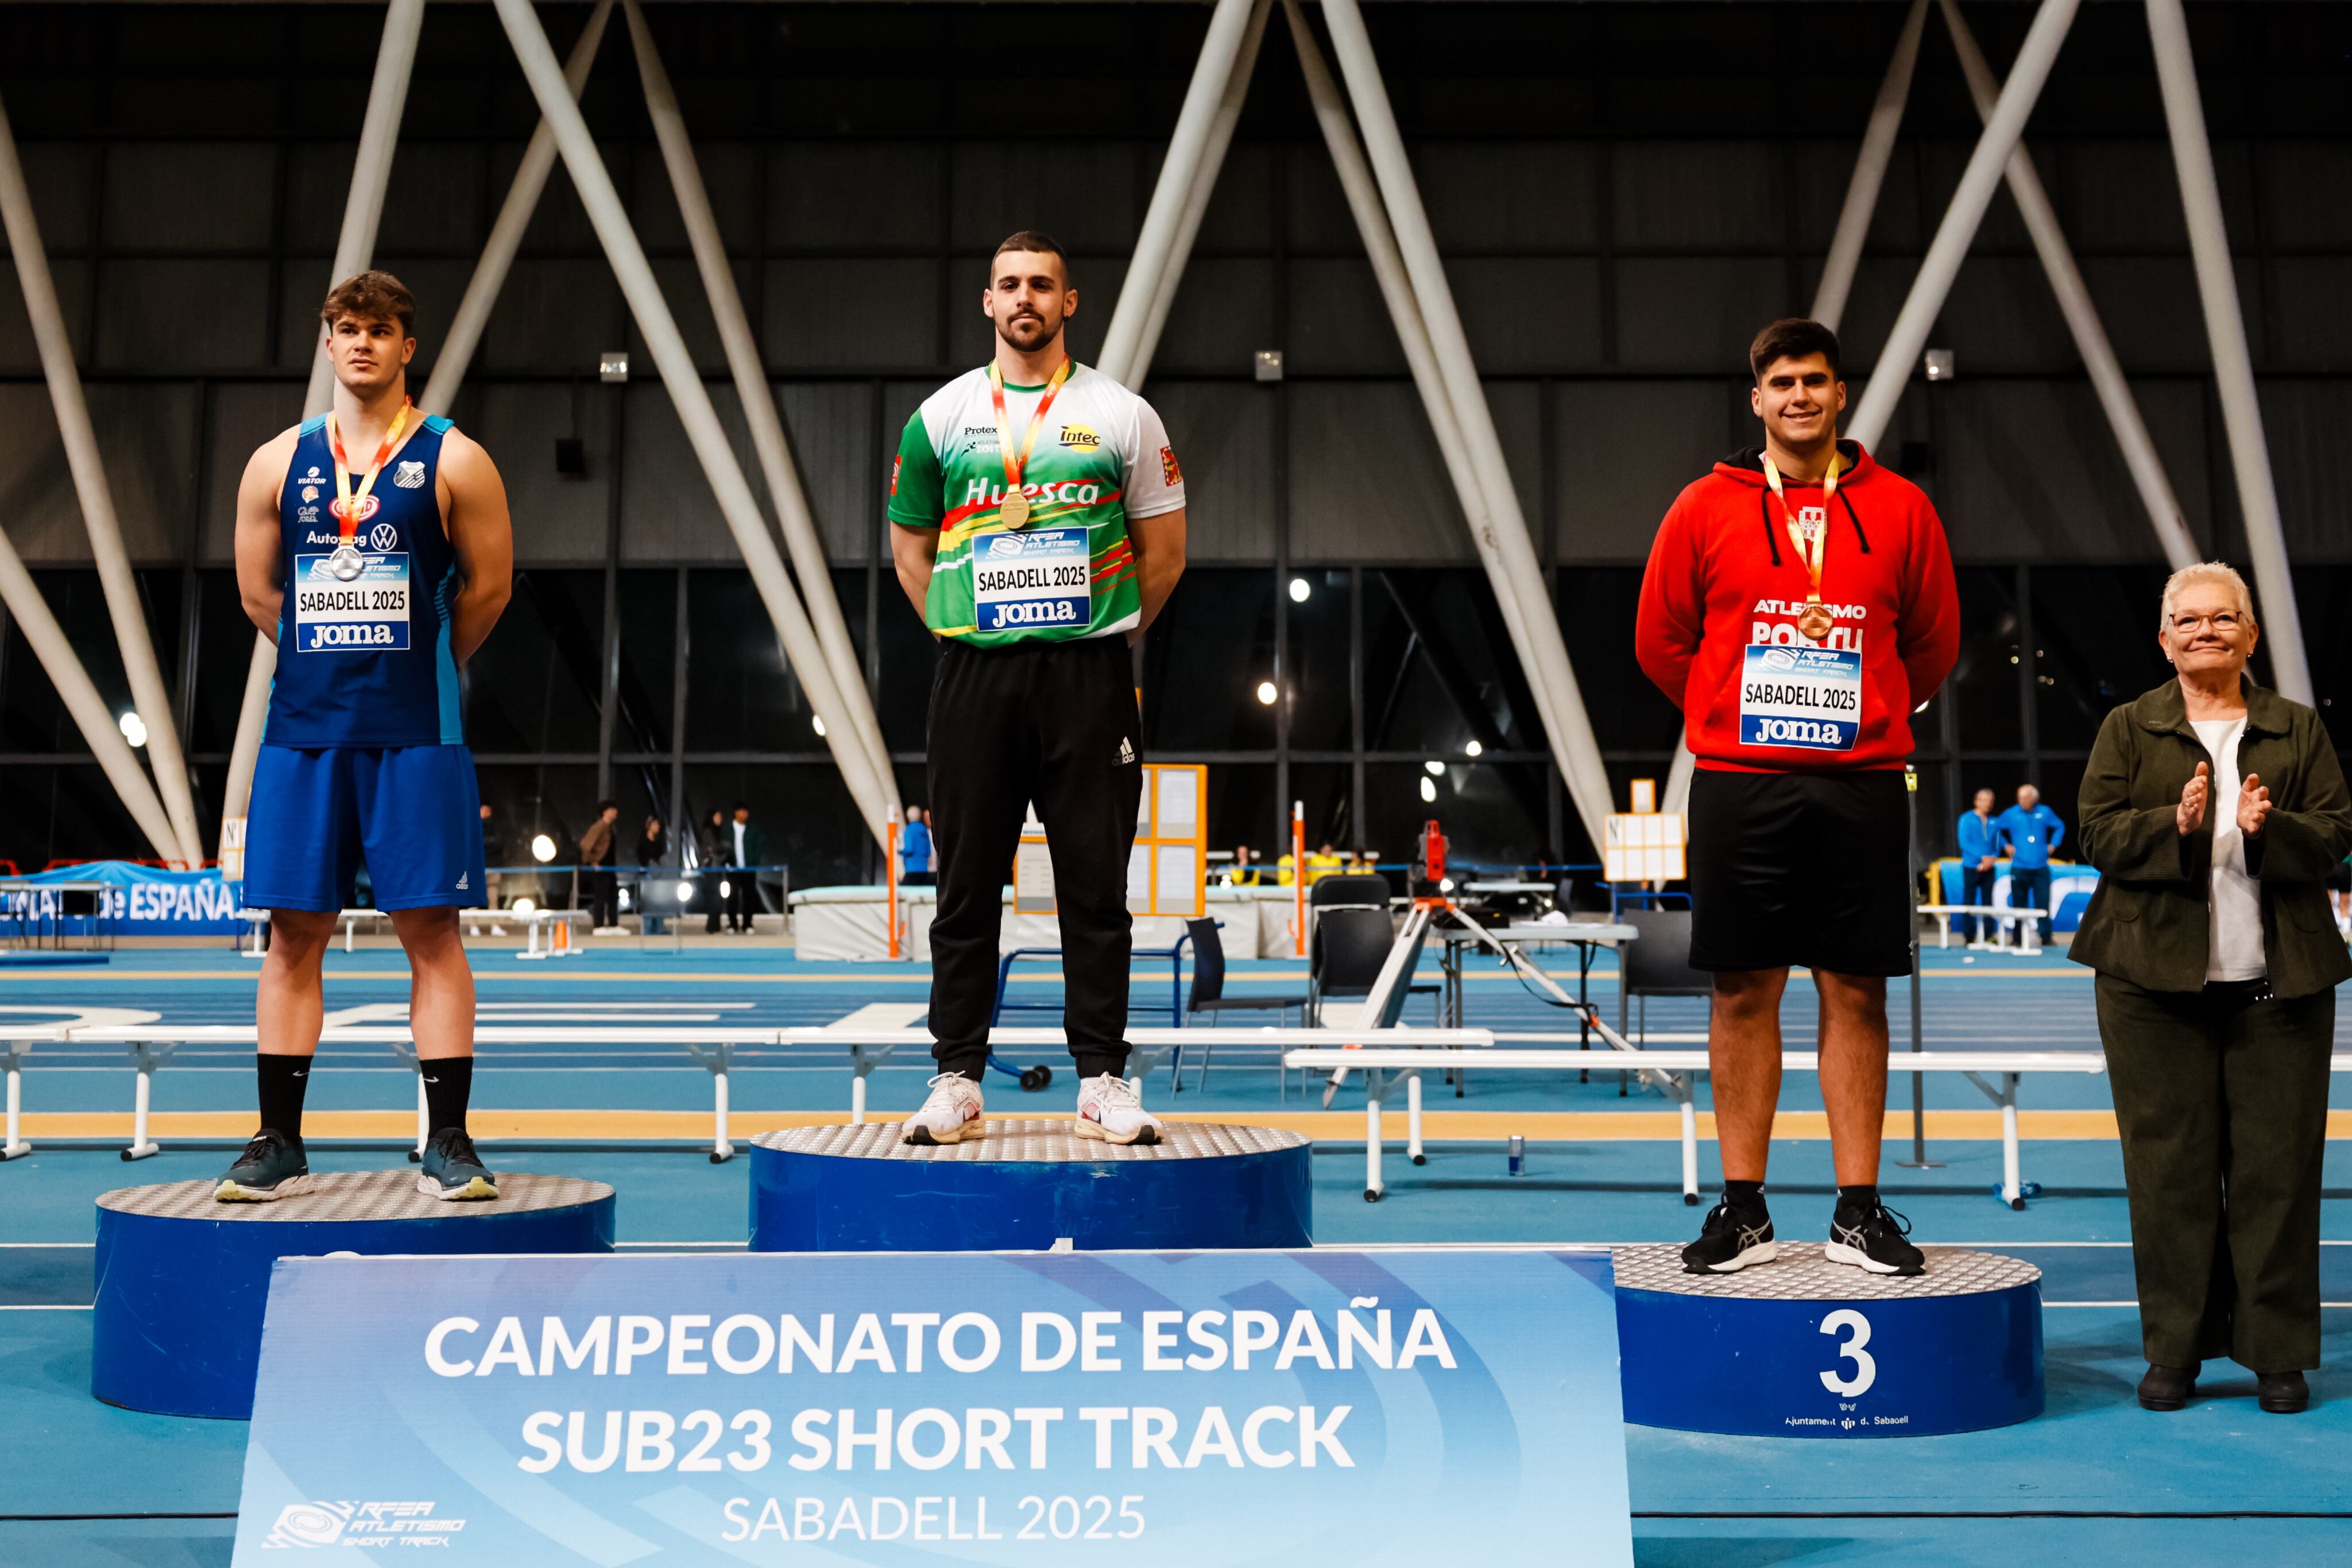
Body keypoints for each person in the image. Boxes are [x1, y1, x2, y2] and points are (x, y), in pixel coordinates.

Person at [1635, 317, 1958, 1276]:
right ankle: (1743, 1211)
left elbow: (1934, 639)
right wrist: (1731, 710)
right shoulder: (1702, 506)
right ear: (1757, 399)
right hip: (1742, 782)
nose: (1799, 397)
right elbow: (1660, 639)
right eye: (1781, 383)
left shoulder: (1901, 507)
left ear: (1841, 394)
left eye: (1815, 380)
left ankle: (1857, 1212)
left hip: (1860, 782)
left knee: (1855, 989)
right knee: (1742, 989)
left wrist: (1872, 712)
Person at [886, 230, 1187, 1147]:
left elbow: (1164, 555)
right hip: (974, 672)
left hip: (1088, 675)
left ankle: (1101, 1077)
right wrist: (962, 627)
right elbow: (910, 547)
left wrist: (1099, 636)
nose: (1026, 298)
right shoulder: (939, 417)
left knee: (1094, 886)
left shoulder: (1123, 414)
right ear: (988, 302)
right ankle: (957, 1077)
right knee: (965, 885)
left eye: (1043, 285)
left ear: (1070, 302)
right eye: (1010, 284)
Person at [218, 270, 512, 1202]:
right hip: (303, 732)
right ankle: (276, 1139)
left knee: (432, 931)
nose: (361, 343)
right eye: (346, 328)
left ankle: (451, 1139)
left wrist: (413, 660)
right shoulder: (276, 462)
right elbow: (259, 594)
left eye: (379, 330)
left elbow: (489, 590)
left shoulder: (457, 460)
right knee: (292, 935)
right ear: (328, 341)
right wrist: (327, 653)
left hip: (416, 734)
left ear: (405, 345)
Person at [2071, 562, 2350, 1417]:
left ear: (2250, 634)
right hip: (2151, 989)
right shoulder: (2129, 725)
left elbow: (2337, 831)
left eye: (2223, 618)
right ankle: (2176, 1348)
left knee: (2277, 1173)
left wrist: (2277, 830)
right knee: (2169, 1174)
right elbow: (2094, 831)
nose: (2204, 631)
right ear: (2164, 639)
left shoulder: (2297, 730)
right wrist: (2176, 824)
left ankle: (2275, 1351)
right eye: (2186, 620)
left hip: (2282, 985)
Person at [1995, 783, 2065, 946]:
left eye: (2026, 798)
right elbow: (1995, 829)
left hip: (2040, 867)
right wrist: (2005, 845)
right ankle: (2017, 938)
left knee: (2043, 903)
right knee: (2019, 904)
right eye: (2020, 798)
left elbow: (2060, 826)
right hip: (2019, 868)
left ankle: (2046, 937)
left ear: (2034, 798)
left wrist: (2053, 844)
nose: (2022, 801)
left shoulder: (2045, 812)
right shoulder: (2012, 814)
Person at [1956, 787, 2000, 946]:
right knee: (1970, 901)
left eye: (1990, 801)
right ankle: (1969, 936)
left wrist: (1992, 859)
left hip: (1989, 868)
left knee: (1988, 901)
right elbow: (1964, 843)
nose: (1987, 804)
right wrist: (1982, 858)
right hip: (1971, 866)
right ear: (1976, 802)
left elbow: (1997, 843)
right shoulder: (1966, 819)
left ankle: (1989, 935)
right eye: (1984, 800)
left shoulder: (1994, 821)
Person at [578, 799, 620, 932]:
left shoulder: (610, 828)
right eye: (612, 810)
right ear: (605, 812)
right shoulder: (599, 826)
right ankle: (599, 926)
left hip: (610, 868)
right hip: (601, 868)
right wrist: (593, 862)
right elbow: (585, 845)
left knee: (613, 896)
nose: (615, 812)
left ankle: (613, 925)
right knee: (601, 897)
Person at [724, 801, 765, 934]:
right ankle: (733, 924)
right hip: (732, 870)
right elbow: (722, 847)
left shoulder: (752, 829)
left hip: (748, 869)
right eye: (742, 811)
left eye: (746, 811)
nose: (745, 814)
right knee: (732, 897)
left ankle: (748, 924)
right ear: (736, 812)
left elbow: (760, 846)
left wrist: (754, 861)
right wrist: (727, 862)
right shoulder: (728, 829)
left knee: (749, 897)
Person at [477, 800, 507, 934]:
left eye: (488, 810)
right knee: (474, 899)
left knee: (493, 897)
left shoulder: (495, 827)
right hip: (477, 867)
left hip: (493, 867)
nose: (486, 812)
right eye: (484, 809)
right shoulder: (474, 826)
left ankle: (495, 926)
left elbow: (499, 844)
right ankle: (474, 927)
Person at [698, 808, 729, 935]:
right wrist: (724, 848)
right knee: (714, 897)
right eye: (717, 816)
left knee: (718, 897)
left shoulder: (718, 832)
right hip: (711, 869)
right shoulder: (708, 832)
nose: (720, 819)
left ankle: (715, 925)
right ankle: (712, 925)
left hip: (717, 869)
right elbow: (714, 849)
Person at [635, 814, 667, 934]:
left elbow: (662, 858)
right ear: (649, 826)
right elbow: (642, 858)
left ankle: (659, 928)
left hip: (658, 876)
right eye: (655, 824)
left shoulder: (659, 842)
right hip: (647, 875)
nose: (657, 827)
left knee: (659, 902)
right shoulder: (643, 841)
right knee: (648, 902)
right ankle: (647, 929)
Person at [900, 804, 936, 887]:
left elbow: (909, 849)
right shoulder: (924, 830)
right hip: (924, 869)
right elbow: (928, 851)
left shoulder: (909, 830)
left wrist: (899, 851)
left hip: (912, 869)